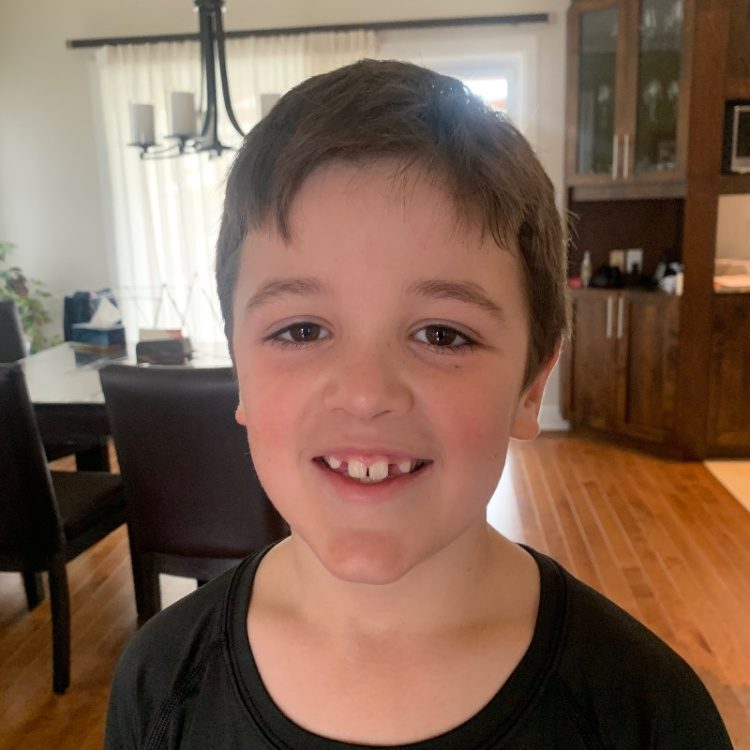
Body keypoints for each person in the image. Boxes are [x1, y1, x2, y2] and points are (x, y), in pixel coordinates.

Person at [105, 59, 732, 749]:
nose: (366, 392)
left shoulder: (647, 715)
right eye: (301, 331)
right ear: (240, 373)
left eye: (442, 334)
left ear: (531, 387)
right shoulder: (160, 684)